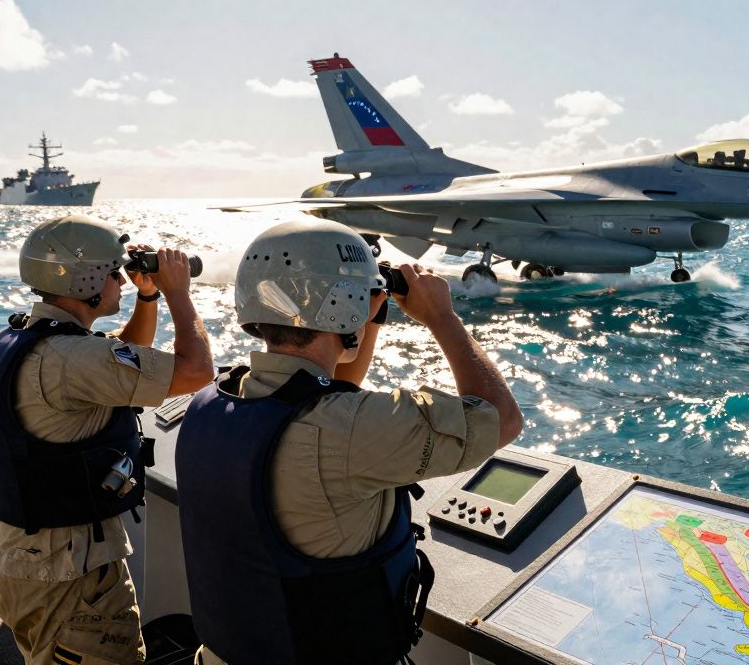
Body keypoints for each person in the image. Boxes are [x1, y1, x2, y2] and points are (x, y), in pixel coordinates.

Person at [176, 220, 523, 665]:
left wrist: (365, 315)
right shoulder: (355, 430)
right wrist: (441, 316)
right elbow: (503, 419)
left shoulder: (215, 403)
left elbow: (325, 389)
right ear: (344, 305)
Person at [0, 215, 215, 665]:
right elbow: (197, 372)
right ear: (84, 278)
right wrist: (178, 295)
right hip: (72, 581)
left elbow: (119, 365)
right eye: (112, 271)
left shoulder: (27, 339)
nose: (120, 279)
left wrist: (148, 297)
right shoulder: (71, 357)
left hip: (24, 560)